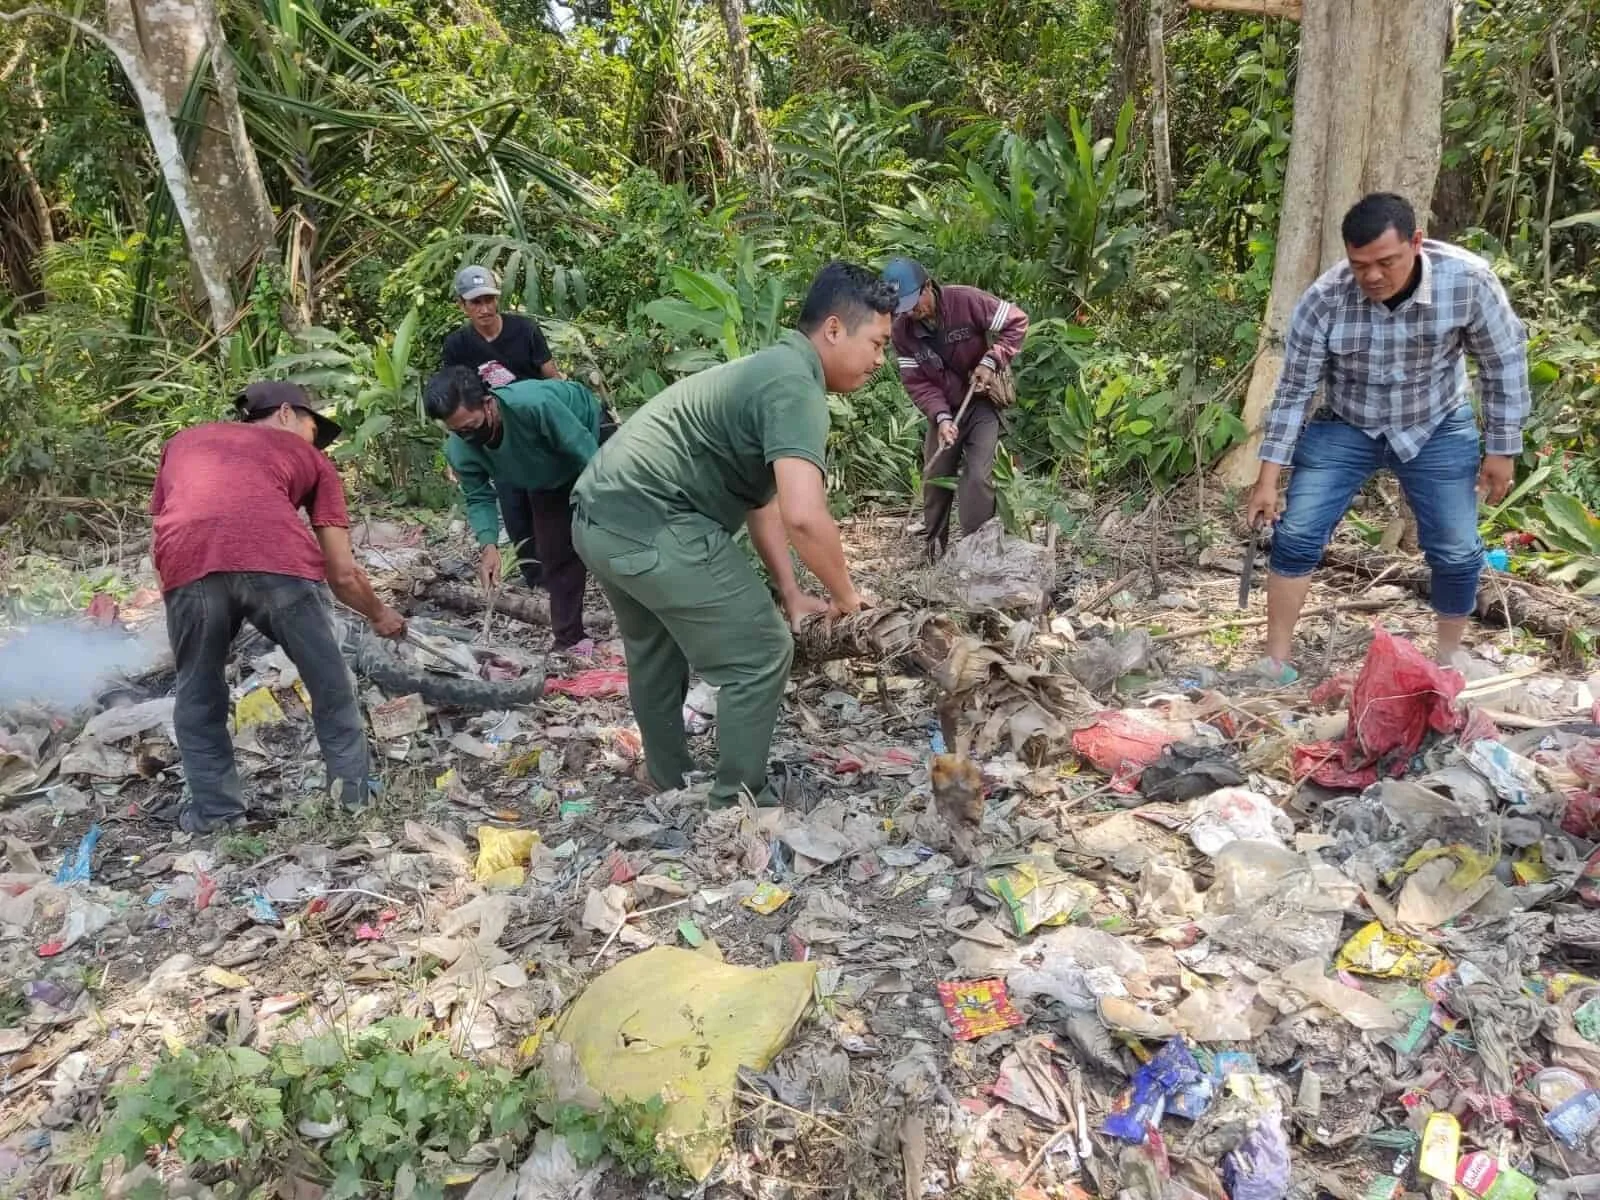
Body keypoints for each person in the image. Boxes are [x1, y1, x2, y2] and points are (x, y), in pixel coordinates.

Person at [571, 261, 894, 807]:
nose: (880, 361)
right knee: (762, 651)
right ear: (834, 329)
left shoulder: (774, 369)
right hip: (653, 519)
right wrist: (847, 599)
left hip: (599, 517)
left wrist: (792, 591)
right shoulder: (796, 387)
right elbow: (806, 516)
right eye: (878, 343)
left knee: (655, 648)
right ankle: (737, 802)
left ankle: (666, 775)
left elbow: (762, 500)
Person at [1245, 192, 1531, 676]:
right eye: (1360, 266)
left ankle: (1450, 654)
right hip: (1347, 423)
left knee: (1458, 549)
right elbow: (1294, 391)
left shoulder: (1468, 282)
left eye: (1386, 262)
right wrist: (1268, 479)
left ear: (1416, 242)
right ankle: (1275, 660)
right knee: (1295, 536)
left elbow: (1503, 364)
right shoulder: (1324, 299)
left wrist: (1503, 448)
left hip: (1436, 422)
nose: (1373, 276)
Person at [149, 382, 407, 834]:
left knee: (198, 693)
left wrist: (182, 605)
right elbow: (343, 574)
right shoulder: (312, 460)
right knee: (329, 683)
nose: (315, 442)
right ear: (287, 414)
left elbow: (163, 530)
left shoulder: (183, 442)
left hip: (187, 566)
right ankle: (352, 801)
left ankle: (218, 816)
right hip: (276, 562)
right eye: (313, 428)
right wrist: (381, 615)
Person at [424, 365, 609, 653]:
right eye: (457, 431)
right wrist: (488, 546)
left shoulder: (534, 405)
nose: (468, 437)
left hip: (590, 435)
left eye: (471, 427)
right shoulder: (459, 448)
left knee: (618, 527)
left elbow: (584, 452)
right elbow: (478, 496)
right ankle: (569, 639)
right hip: (542, 473)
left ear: (489, 403)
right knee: (555, 552)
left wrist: (605, 502)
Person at [882, 258, 1029, 559]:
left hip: (981, 404)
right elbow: (918, 383)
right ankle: (934, 551)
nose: (911, 312)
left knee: (977, 478)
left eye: (913, 303)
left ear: (927, 287)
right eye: (903, 308)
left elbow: (1017, 321)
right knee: (935, 476)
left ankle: (977, 551)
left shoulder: (966, 300)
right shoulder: (902, 332)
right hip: (945, 411)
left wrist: (992, 359)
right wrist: (942, 417)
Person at [441, 265, 563, 590]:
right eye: (475, 302)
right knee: (513, 508)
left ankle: (561, 572)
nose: (484, 308)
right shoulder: (458, 345)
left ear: (497, 299)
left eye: (488, 300)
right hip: (494, 436)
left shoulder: (524, 330)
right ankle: (535, 579)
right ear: (462, 306)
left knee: (546, 501)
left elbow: (551, 375)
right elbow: (453, 397)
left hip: (534, 430)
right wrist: (456, 450)